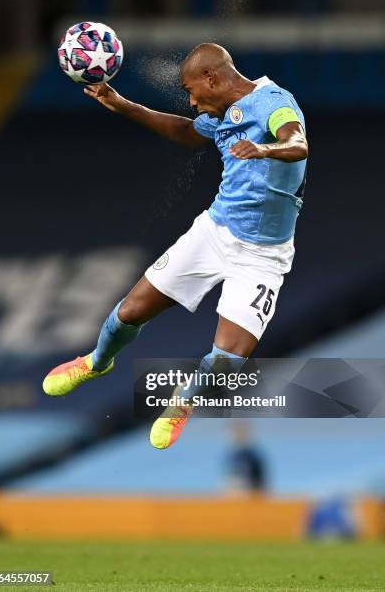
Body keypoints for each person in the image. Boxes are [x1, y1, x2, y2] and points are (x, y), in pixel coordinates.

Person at [43, 43, 308, 450]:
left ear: (212, 78)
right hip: (214, 232)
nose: (191, 100)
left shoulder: (273, 102)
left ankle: (184, 401)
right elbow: (185, 132)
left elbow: (297, 142)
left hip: (263, 255)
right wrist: (123, 104)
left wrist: (265, 148)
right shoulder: (218, 113)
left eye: (191, 90)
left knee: (228, 360)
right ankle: (96, 362)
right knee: (131, 311)